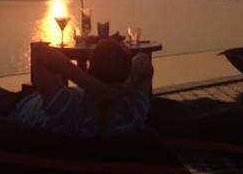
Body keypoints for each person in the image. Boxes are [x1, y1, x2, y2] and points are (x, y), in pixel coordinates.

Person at [13, 38, 153, 137]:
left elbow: (39, 52)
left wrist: (88, 82)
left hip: (20, 108)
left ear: (89, 71)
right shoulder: (132, 115)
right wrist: (125, 86)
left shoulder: (67, 108)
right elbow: (144, 59)